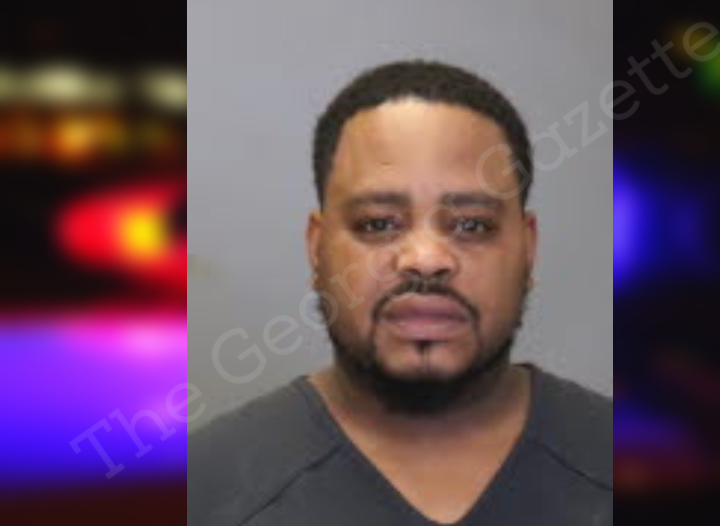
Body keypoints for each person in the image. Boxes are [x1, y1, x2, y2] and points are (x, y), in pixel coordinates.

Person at [188, 60, 612, 526]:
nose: (426, 259)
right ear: (316, 248)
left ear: (528, 249)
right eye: (378, 224)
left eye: (472, 225)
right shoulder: (201, 490)